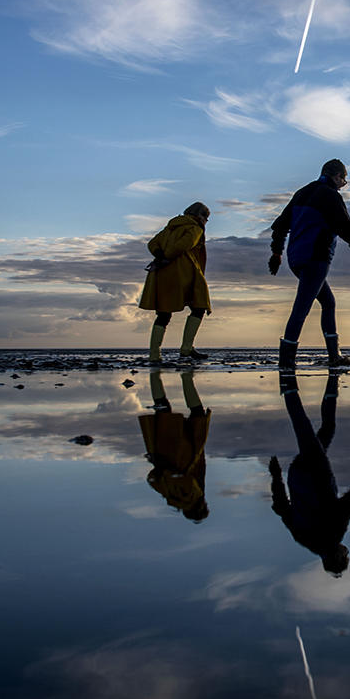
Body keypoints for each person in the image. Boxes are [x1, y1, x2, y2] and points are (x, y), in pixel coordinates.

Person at [268, 159, 350, 369]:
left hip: (295, 259)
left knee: (328, 302)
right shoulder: (330, 195)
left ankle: (334, 355)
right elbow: (346, 229)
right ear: (337, 176)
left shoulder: (302, 193)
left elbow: (280, 225)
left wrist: (277, 253)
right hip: (316, 257)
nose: (343, 185)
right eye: (344, 181)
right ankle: (286, 361)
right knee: (301, 308)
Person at [269, 371, 350, 574]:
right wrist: (276, 475)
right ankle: (332, 377)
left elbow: (348, 503)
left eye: (346, 554)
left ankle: (287, 379)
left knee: (301, 423)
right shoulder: (302, 539)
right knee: (327, 429)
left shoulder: (333, 537)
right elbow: (280, 506)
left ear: (338, 557)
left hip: (316, 472)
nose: (346, 550)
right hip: (298, 473)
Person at [139, 202, 212, 363]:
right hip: (184, 272)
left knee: (163, 314)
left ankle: (154, 354)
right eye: (206, 218)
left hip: (162, 273)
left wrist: (160, 256)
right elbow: (185, 244)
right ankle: (186, 348)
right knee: (199, 306)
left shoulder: (170, 228)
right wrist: (166, 257)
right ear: (200, 216)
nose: (206, 222)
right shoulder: (195, 228)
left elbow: (152, 243)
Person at [139, 369, 211, 521]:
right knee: (162, 409)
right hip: (163, 451)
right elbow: (151, 479)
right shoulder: (169, 496)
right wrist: (160, 467)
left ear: (200, 507)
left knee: (198, 415)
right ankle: (154, 372)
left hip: (185, 453)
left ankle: (186, 376)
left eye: (205, 505)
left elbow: (187, 481)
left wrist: (166, 469)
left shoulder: (194, 497)